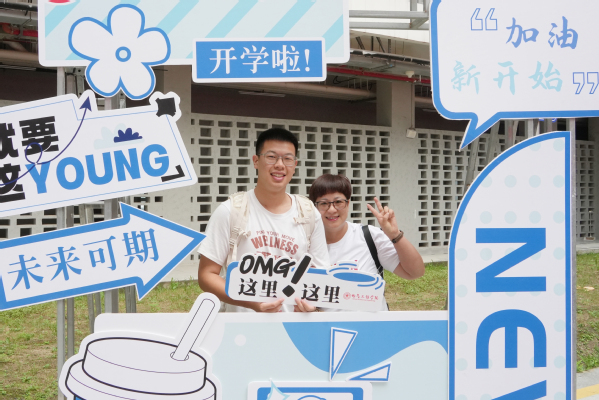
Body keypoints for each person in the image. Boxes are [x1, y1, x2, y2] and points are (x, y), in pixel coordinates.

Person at [197, 128, 330, 313]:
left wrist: (311, 305)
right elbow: (206, 275)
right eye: (271, 157)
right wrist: (252, 303)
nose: (280, 165)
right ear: (256, 161)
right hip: (242, 327)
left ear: (294, 165)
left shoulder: (308, 214)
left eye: (287, 159)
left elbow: (320, 276)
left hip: (292, 327)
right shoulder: (231, 211)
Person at [308, 174, 425, 311]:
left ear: (348, 203)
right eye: (323, 203)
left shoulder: (369, 236)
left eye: (338, 202)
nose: (332, 209)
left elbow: (415, 272)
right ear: (314, 207)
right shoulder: (305, 243)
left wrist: (395, 235)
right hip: (327, 325)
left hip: (374, 324)